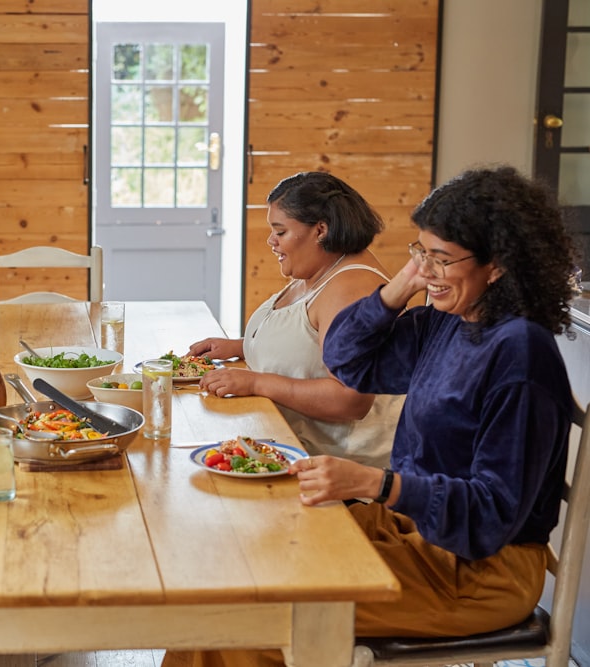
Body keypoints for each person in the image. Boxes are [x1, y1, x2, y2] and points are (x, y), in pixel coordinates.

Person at [166, 166, 576, 667]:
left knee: (247, 616)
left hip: (475, 574)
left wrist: (379, 484)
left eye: (441, 259)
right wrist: (399, 285)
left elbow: (491, 514)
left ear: (498, 266)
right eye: (420, 254)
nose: (426, 272)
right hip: (409, 531)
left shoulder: (520, 354)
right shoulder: (446, 324)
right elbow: (348, 358)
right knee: (226, 571)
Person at [189, 172, 402, 467]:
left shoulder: (350, 287)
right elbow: (309, 343)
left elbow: (350, 399)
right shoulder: (322, 268)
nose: (271, 241)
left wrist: (257, 383)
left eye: (281, 232)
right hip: (288, 441)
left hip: (339, 467)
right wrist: (242, 346)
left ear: (320, 230)